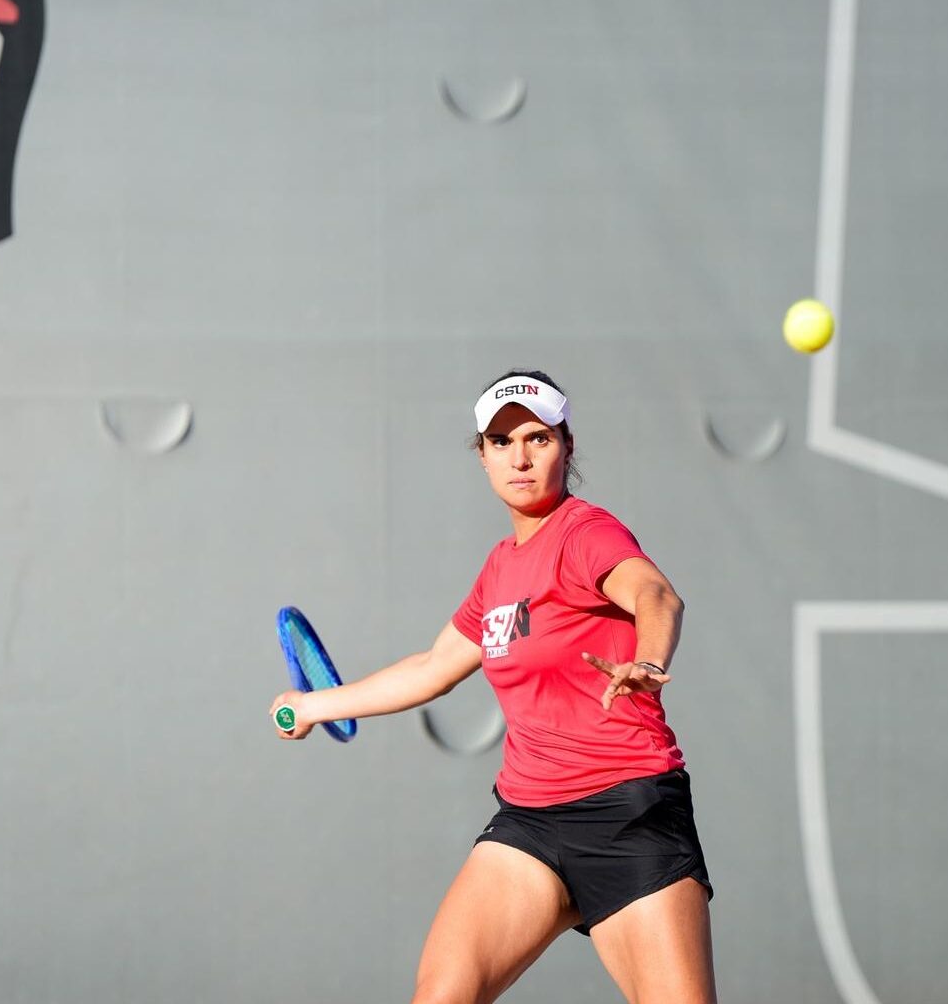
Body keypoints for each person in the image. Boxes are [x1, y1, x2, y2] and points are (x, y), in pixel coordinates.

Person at [271, 370, 715, 1004]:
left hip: (628, 814)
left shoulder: (585, 534)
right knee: (443, 994)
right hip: (529, 825)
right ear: (482, 456)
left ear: (566, 445)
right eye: (502, 442)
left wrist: (646, 656)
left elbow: (655, 593)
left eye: (538, 438)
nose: (521, 457)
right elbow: (433, 667)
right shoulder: (501, 568)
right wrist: (312, 705)